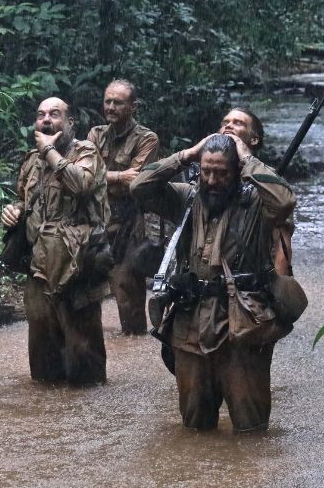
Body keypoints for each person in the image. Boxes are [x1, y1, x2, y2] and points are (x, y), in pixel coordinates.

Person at [131, 133, 296, 431]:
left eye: (221, 173)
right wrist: (187, 155)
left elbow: (284, 203)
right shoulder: (186, 198)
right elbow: (139, 186)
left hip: (243, 329)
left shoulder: (257, 204)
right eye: (206, 171)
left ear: (236, 172)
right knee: (194, 429)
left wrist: (247, 158)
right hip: (189, 327)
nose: (211, 180)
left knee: (252, 431)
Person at [1, 97, 110, 385]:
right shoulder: (30, 162)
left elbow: (80, 184)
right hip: (38, 266)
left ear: (70, 123)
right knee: (43, 356)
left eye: (55, 114)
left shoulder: (87, 152)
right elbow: (24, 202)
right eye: (40, 115)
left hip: (79, 264)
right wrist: (13, 212)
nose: (46, 120)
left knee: (84, 356)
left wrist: (49, 150)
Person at [85, 80, 160, 334]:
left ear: (133, 106)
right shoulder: (96, 134)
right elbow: (85, 176)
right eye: (108, 101)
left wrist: (103, 177)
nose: (111, 107)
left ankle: (133, 342)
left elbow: (136, 181)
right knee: (85, 291)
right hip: (95, 220)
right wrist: (118, 176)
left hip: (130, 223)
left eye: (118, 102)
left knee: (127, 291)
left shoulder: (147, 138)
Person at [218, 108, 295, 277]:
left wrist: (279, 295)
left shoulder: (267, 181)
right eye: (225, 123)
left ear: (254, 139)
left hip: (248, 286)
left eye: (238, 123)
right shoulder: (205, 175)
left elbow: (282, 246)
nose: (229, 126)